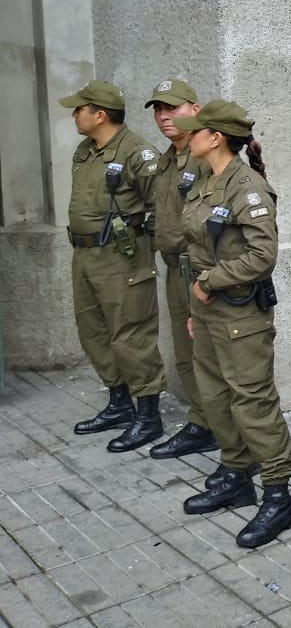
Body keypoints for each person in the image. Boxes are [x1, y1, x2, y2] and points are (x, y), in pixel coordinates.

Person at [174, 100, 291, 549]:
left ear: (216, 137)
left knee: (252, 401)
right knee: (214, 394)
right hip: (207, 311)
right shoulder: (207, 182)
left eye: (196, 129)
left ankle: (278, 495)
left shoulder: (247, 188)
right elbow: (199, 247)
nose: (188, 134)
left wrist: (211, 281)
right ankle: (236, 473)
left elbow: (263, 255)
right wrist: (195, 305)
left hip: (241, 313)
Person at [62, 79, 167, 451]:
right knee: (93, 330)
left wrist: (141, 251)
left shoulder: (139, 153)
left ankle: (149, 415)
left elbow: (161, 210)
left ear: (99, 115)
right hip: (86, 255)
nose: (75, 115)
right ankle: (120, 402)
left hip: (123, 258)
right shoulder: (86, 150)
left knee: (132, 335)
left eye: (79, 109)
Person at [143, 79, 221, 460]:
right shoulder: (167, 159)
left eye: (171, 107)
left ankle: (222, 429)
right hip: (175, 269)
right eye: (158, 110)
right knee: (187, 356)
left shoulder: (204, 156)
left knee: (208, 355)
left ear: (195, 107)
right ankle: (202, 424)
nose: (164, 116)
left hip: (200, 271)